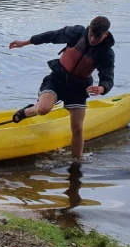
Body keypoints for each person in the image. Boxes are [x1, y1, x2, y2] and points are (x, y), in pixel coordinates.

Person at [8, 16, 115, 160]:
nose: (92, 40)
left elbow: (108, 77)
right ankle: (27, 110)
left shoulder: (106, 53)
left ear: (106, 34)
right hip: (57, 79)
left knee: (77, 128)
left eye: (97, 37)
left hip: (79, 87)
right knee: (43, 109)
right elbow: (51, 36)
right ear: (89, 29)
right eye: (91, 35)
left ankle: (77, 163)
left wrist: (101, 88)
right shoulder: (76, 33)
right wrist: (25, 42)